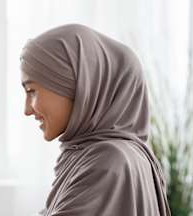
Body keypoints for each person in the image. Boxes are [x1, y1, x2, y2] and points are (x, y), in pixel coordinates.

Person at [20, 24, 171, 216]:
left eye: (31, 91)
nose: (27, 110)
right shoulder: (100, 155)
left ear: (79, 87)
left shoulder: (107, 161)